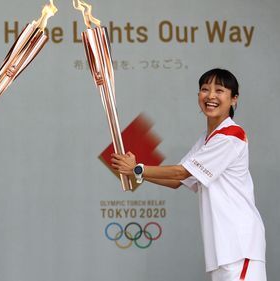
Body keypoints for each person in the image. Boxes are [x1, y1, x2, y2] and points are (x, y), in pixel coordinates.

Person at [111, 68, 266, 281]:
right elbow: (180, 180)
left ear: (234, 99)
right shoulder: (206, 138)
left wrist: (137, 169)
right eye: (204, 89)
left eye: (219, 90)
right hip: (222, 247)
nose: (210, 96)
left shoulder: (231, 135)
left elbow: (181, 171)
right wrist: (137, 172)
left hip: (240, 244)